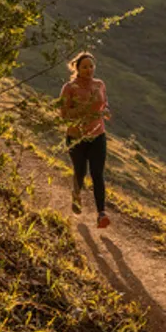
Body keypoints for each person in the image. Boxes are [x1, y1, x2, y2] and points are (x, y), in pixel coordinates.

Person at [59, 51, 111, 229]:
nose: (89, 70)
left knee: (97, 174)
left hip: (98, 136)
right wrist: (86, 112)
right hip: (76, 137)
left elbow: (104, 104)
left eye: (91, 66)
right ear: (77, 68)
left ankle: (101, 213)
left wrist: (105, 111)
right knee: (80, 172)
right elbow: (64, 114)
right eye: (85, 67)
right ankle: (76, 194)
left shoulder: (100, 84)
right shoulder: (69, 87)